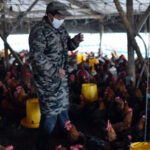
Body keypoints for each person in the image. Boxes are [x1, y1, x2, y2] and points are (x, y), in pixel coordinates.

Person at [29, 1, 84, 149]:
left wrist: (75, 42)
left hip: (61, 80)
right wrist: (54, 70)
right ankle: (42, 144)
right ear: (49, 15)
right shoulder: (39, 31)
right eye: (59, 16)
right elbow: (36, 56)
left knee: (64, 111)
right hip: (47, 82)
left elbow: (67, 46)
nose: (62, 19)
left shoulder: (61, 29)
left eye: (63, 17)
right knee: (50, 116)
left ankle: (64, 138)